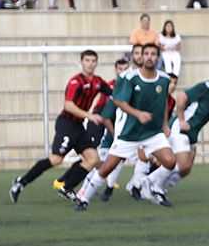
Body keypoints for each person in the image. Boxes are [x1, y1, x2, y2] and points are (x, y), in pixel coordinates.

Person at [73, 43, 175, 211]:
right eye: (146, 53)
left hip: (153, 132)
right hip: (130, 133)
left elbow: (163, 101)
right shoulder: (129, 77)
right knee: (107, 168)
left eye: (153, 54)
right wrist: (138, 114)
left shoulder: (164, 79)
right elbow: (119, 102)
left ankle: (151, 185)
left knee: (170, 162)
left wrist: (164, 124)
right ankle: (83, 197)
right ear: (140, 56)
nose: (149, 57)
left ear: (158, 58)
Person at [138, 62, 209, 204]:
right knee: (181, 164)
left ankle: (157, 185)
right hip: (180, 128)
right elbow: (181, 98)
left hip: (193, 133)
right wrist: (181, 120)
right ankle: (148, 181)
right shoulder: (205, 87)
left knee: (186, 170)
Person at [9, 49, 109, 202]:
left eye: (93, 61)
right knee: (56, 159)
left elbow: (114, 94)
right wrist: (90, 116)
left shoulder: (97, 82)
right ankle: (21, 182)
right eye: (87, 60)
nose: (90, 63)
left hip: (78, 126)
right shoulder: (76, 82)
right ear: (81, 62)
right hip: (67, 123)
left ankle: (66, 187)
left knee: (93, 159)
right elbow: (68, 105)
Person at [55, 54, 131, 200]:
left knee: (106, 156)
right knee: (92, 156)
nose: (122, 72)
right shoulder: (109, 86)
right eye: (120, 69)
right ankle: (66, 182)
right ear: (115, 70)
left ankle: (101, 186)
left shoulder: (129, 86)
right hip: (98, 122)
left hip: (113, 123)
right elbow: (106, 105)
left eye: (126, 69)